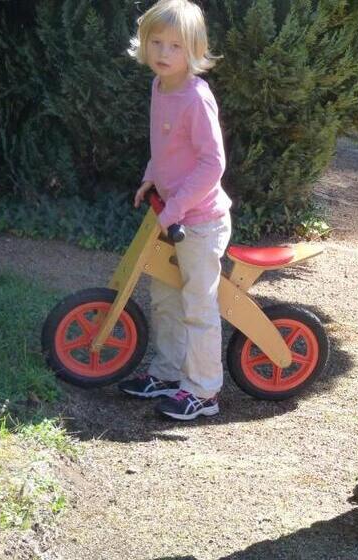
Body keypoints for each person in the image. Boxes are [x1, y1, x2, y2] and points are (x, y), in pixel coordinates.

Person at [118, 0, 231, 422]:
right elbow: (165, 148)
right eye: (157, 43)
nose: (164, 54)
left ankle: (204, 392)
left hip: (199, 222)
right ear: (144, 44)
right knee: (164, 298)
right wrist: (152, 175)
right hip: (172, 215)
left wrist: (177, 209)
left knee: (197, 304)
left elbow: (212, 164)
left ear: (196, 51)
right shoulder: (159, 87)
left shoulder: (195, 99)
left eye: (176, 47)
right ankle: (167, 374)